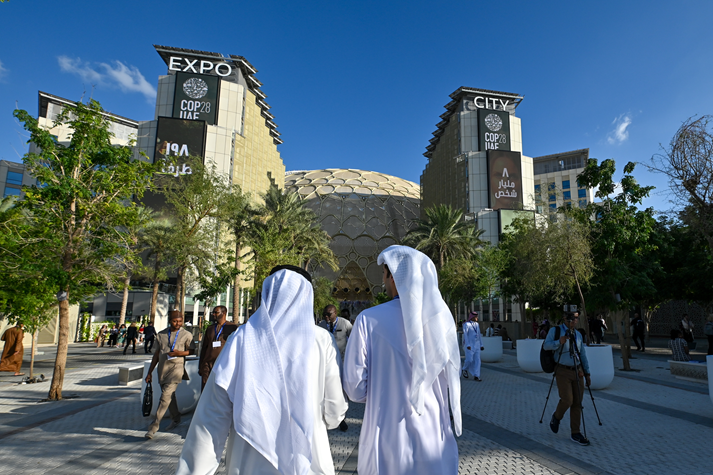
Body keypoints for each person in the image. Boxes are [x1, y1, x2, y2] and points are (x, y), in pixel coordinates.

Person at [176, 265, 347, 475]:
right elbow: (334, 412)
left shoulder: (242, 339)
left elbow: (211, 418)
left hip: (248, 466)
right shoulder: (322, 341)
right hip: (309, 464)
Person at [342, 245, 461, 474]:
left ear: (394, 277)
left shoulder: (368, 320)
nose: (384, 282)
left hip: (387, 441)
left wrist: (384, 393)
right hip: (435, 443)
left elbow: (355, 388)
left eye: (384, 275)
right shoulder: (442, 322)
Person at [144, 311, 196, 439]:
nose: (178, 324)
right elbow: (156, 354)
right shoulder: (161, 334)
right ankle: (176, 417)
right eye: (175, 321)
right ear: (170, 321)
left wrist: (179, 353)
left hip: (176, 369)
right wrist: (149, 372)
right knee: (169, 396)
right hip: (163, 369)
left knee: (164, 397)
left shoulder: (186, 335)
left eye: (180, 321)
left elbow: (192, 351)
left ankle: (153, 427)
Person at [544, 313, 592, 446]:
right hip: (562, 370)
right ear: (565, 318)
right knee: (567, 400)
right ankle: (557, 416)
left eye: (576, 318)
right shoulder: (556, 331)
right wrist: (559, 342)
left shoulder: (578, 334)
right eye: (572, 318)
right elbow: (546, 346)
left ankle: (575, 432)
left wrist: (587, 373)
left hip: (577, 370)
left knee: (577, 402)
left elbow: (582, 354)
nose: (574, 321)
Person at [318, 304, 352, 431]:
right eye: (324, 314)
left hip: (342, 362)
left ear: (335, 313)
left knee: (341, 391)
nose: (326, 317)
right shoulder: (320, 325)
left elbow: (354, 338)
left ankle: (342, 418)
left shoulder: (345, 324)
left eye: (329, 314)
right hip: (326, 364)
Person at [198, 305, 238, 390]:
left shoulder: (232, 327)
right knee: (205, 388)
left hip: (223, 364)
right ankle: (204, 403)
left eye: (216, 312)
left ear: (223, 313)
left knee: (219, 389)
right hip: (208, 363)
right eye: (213, 312)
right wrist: (200, 365)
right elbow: (204, 347)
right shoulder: (210, 328)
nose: (213, 314)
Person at [461, 311, 483, 382]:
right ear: (472, 317)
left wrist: (481, 345)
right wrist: (467, 345)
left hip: (477, 344)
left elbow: (479, 335)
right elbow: (465, 335)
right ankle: (464, 368)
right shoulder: (466, 324)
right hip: (470, 345)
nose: (477, 318)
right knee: (469, 360)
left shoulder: (477, 324)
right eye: (476, 316)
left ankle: (476, 375)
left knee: (477, 360)